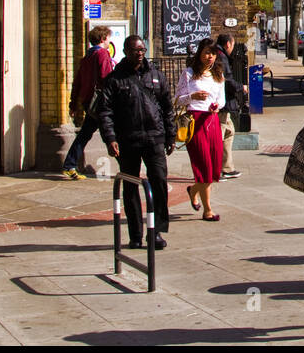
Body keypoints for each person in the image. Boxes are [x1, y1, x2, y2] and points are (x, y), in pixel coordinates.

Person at [92, 35, 174, 250]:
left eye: (142, 49)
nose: (139, 53)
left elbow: (167, 107)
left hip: (154, 137)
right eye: (134, 50)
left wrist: (171, 135)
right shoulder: (115, 79)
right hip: (128, 139)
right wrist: (110, 138)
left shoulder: (156, 75)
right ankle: (135, 234)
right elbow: (105, 112)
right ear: (125, 51)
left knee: (159, 182)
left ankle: (156, 232)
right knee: (130, 187)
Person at [176, 39, 227, 220]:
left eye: (212, 54)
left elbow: (222, 99)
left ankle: (193, 190)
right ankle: (208, 210)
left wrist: (216, 106)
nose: (209, 57)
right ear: (199, 53)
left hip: (212, 120)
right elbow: (178, 99)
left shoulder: (218, 75)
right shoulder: (189, 74)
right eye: (206, 53)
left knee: (213, 168)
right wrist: (192, 96)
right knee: (204, 165)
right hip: (195, 121)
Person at [62, 25, 114, 180]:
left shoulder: (86, 57)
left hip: (88, 102)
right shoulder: (102, 53)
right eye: (108, 38)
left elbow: (77, 82)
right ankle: (127, 169)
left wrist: (73, 104)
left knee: (85, 134)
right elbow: (107, 77)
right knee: (110, 134)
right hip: (100, 102)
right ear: (103, 38)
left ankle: (69, 165)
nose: (109, 41)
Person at [215, 32, 242, 180]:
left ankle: (226, 167)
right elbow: (227, 81)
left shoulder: (219, 55)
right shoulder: (222, 57)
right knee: (220, 136)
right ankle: (217, 170)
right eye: (232, 45)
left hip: (224, 104)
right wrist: (241, 87)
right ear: (228, 44)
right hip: (221, 105)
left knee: (229, 132)